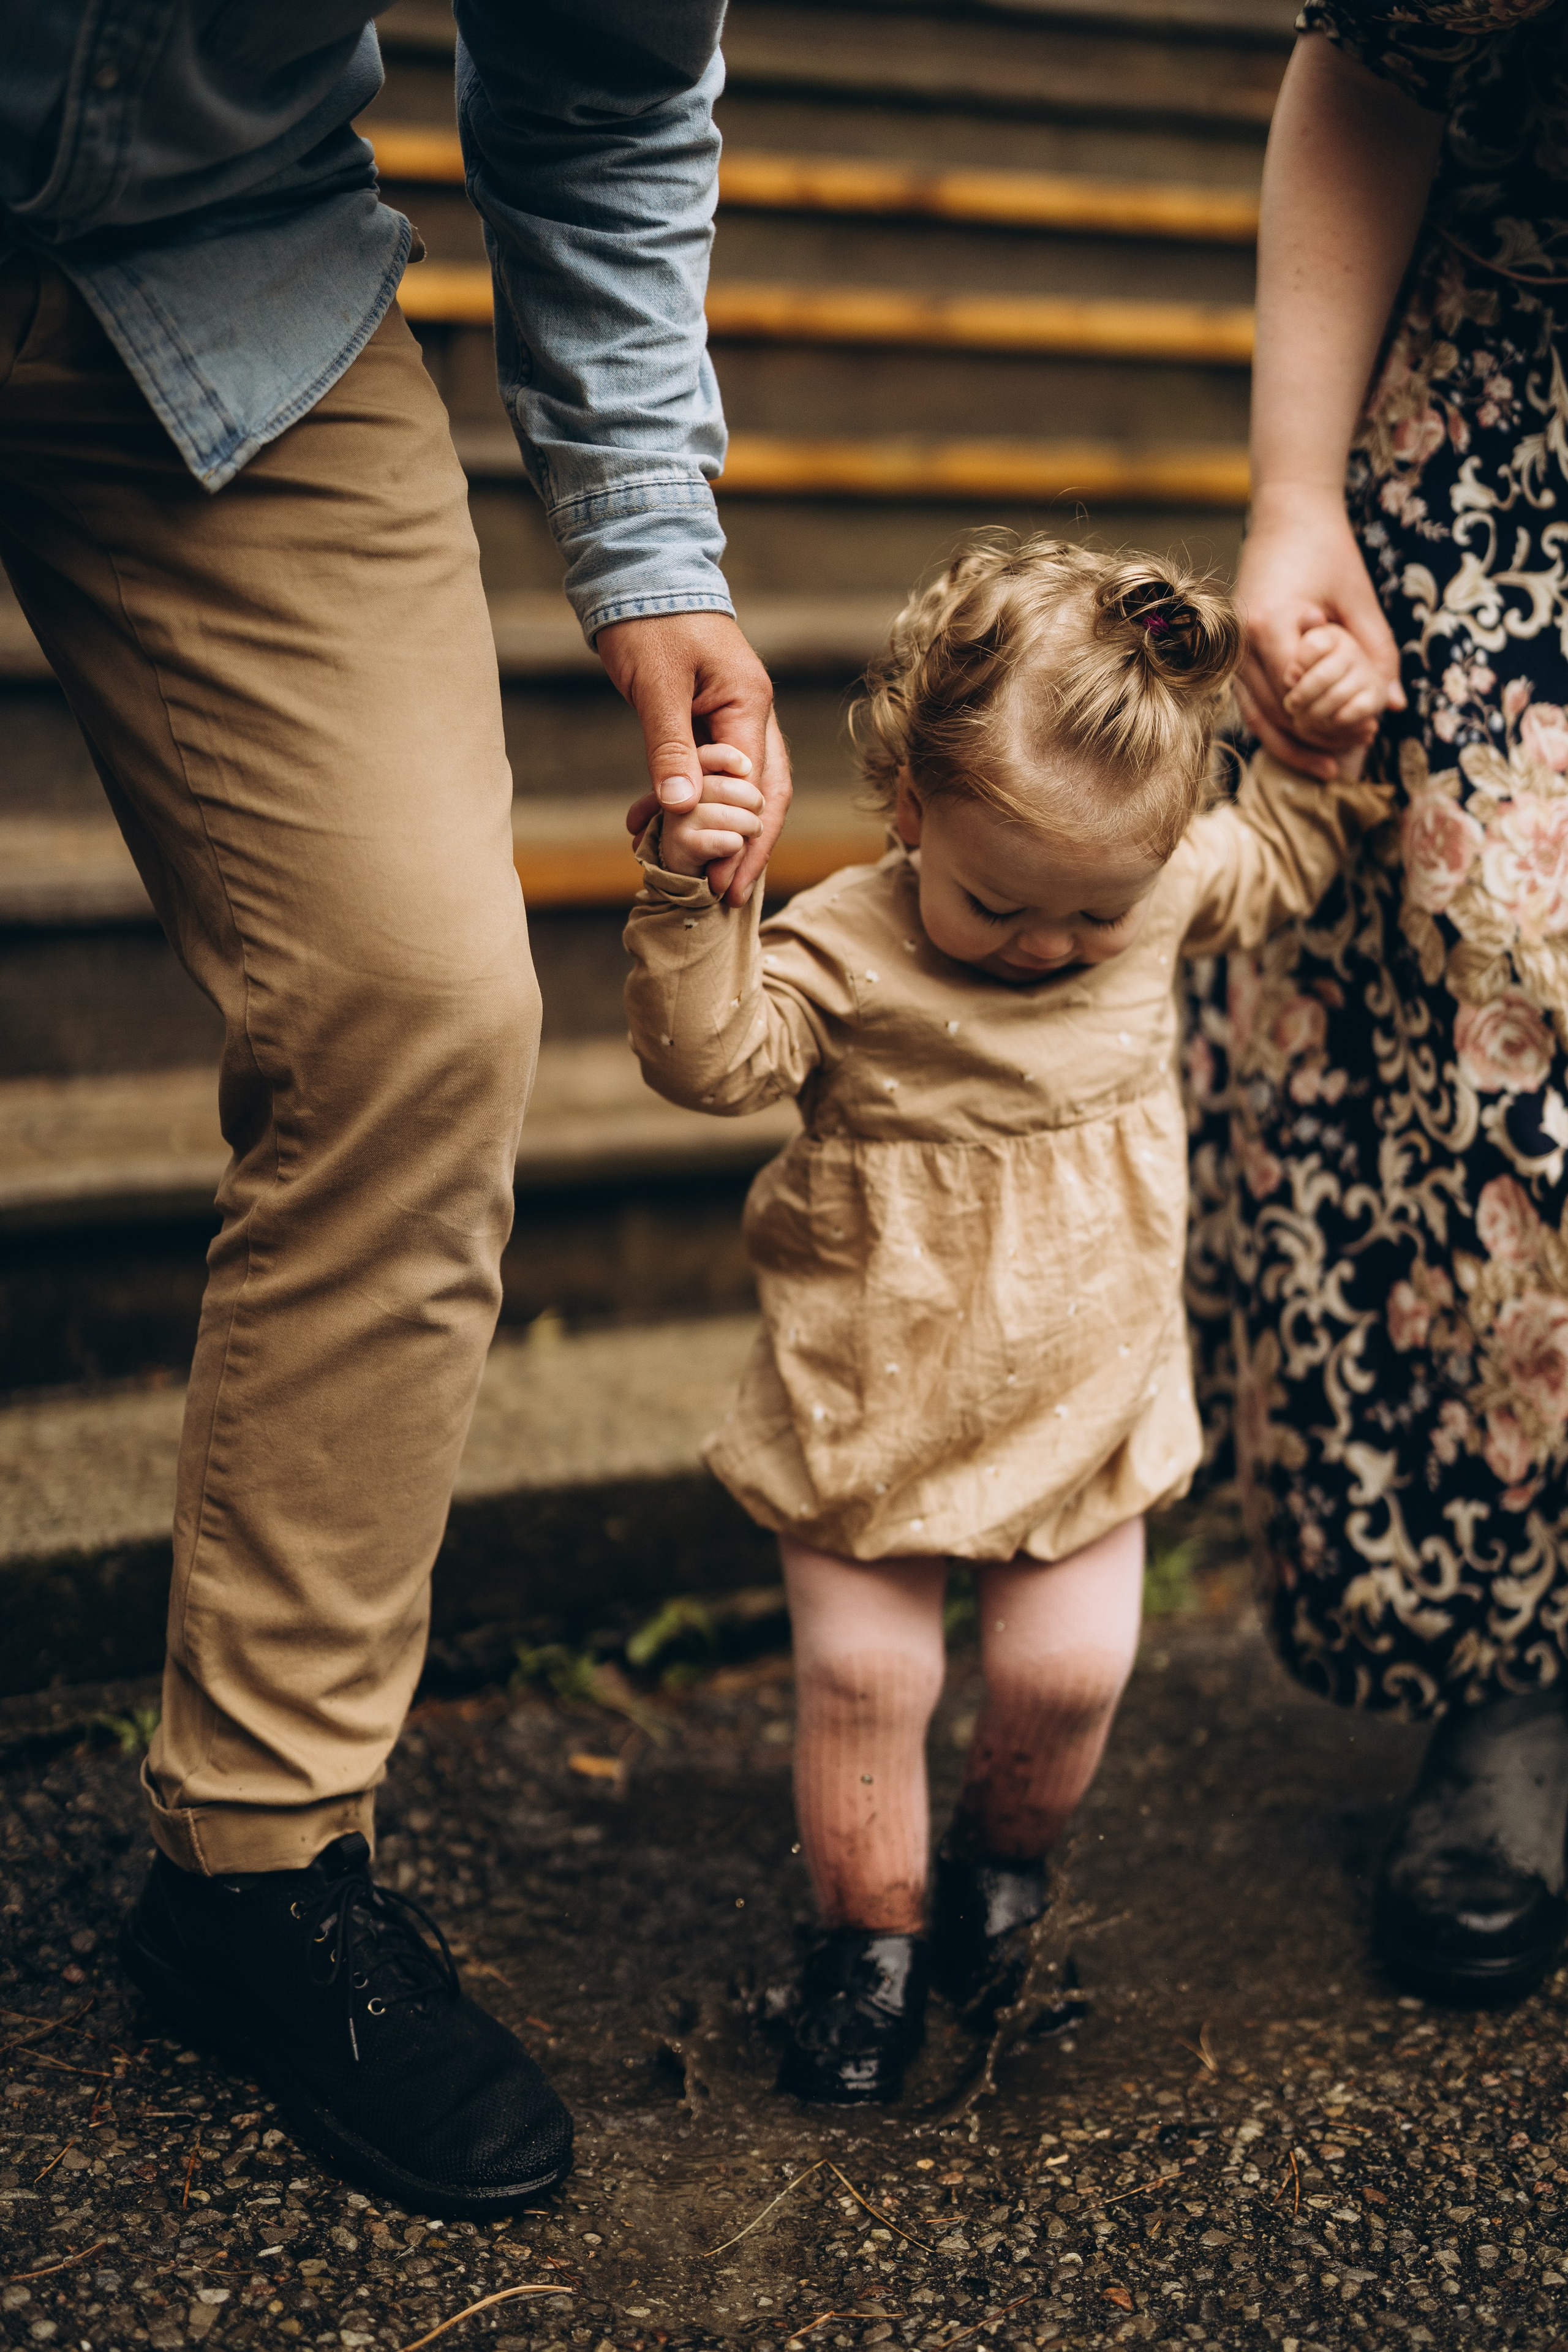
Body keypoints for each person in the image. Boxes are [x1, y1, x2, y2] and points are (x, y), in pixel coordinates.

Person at [2, 2, 791, 2215]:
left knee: (423, 1004)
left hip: (237, 281)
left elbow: (615, 80)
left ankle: (258, 1869)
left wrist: (653, 547)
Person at [622, 535, 1387, 2101]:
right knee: (870, 1685)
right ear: (908, 809)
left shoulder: (1166, 880)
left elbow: (1289, 850)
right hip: (873, 1398)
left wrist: (1315, 742)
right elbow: (710, 1063)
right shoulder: (842, 944)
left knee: (1067, 1675)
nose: (1044, 946)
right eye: (997, 904)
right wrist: (698, 898)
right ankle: (870, 1948)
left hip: (1081, 1390)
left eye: (1087, 919)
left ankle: (999, 1867)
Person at [1186, 0, 1568, 2007]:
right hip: (1518, 414)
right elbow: (1379, 65)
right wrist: (1289, 490)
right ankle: (1516, 1677)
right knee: (1500, 1022)